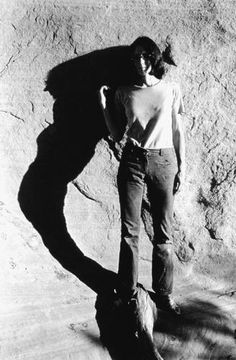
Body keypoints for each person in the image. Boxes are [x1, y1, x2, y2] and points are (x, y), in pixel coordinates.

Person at [99, 36, 185, 315]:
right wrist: (103, 104)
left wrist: (181, 165)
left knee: (163, 232)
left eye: (144, 56)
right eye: (134, 57)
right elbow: (115, 134)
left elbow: (177, 130)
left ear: (154, 57)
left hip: (164, 160)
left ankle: (164, 294)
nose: (139, 62)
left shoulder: (171, 89)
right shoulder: (124, 92)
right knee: (130, 231)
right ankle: (127, 292)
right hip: (133, 161)